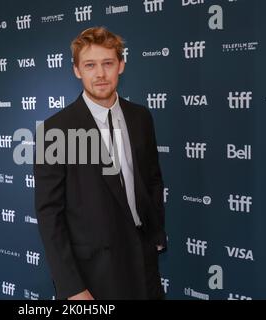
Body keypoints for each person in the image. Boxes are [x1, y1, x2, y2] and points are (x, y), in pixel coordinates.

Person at [34, 27, 167, 300]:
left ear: (121, 65)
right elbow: (50, 215)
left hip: (143, 261)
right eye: (90, 65)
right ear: (76, 70)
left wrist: (156, 235)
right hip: (92, 272)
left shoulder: (141, 117)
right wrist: (71, 287)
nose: (100, 74)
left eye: (108, 63)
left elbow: (153, 179)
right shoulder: (55, 130)